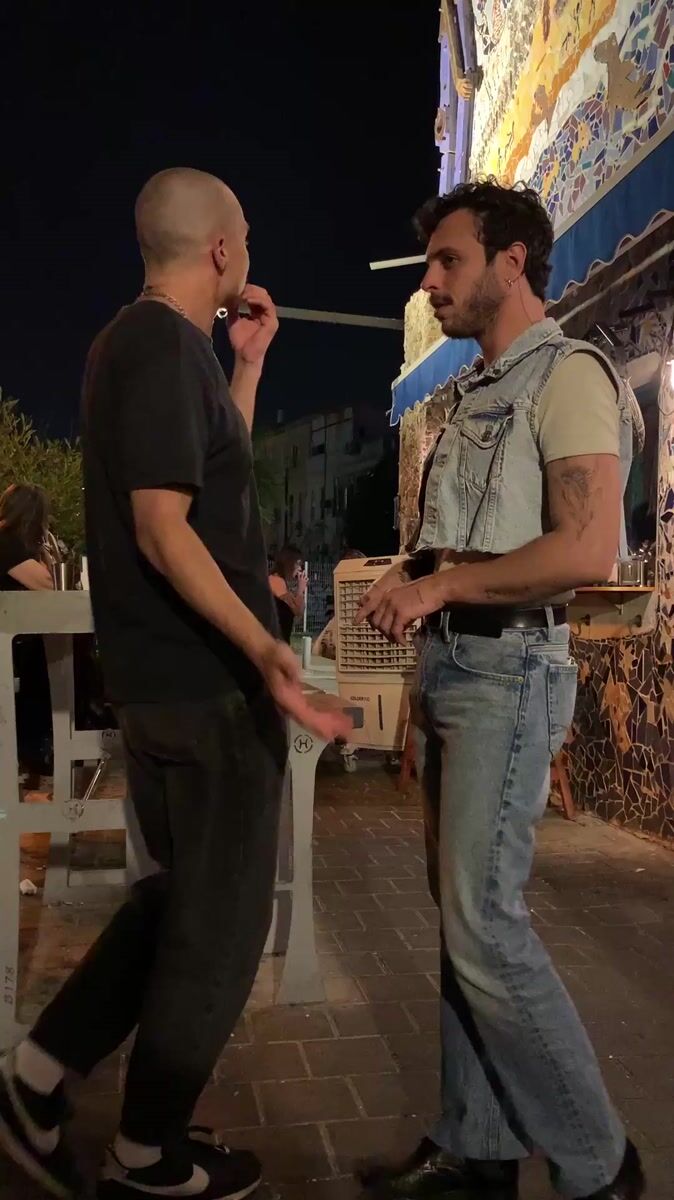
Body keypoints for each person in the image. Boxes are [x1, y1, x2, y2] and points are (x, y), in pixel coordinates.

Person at [0, 167, 351, 1200]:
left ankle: (36, 1078)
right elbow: (163, 528)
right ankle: (146, 1154)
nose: (250, 253)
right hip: (201, 689)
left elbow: (208, 484)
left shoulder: (168, 350)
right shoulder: (154, 344)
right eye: (246, 236)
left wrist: (247, 364)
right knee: (222, 926)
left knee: (176, 903)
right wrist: (265, 650)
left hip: (174, 685)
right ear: (221, 251)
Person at [357, 181, 642, 1200]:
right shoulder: (478, 389)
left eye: (448, 261)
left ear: (510, 261)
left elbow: (585, 548)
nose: (431, 283)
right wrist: (411, 574)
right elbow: (476, 536)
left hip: (508, 670)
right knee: (462, 917)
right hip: (457, 666)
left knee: (484, 925)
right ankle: (474, 1149)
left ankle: (597, 1163)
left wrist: (440, 587)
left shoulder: (566, 373)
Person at [0, 484, 54, 774]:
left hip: (13, 641)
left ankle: (38, 746)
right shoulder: (6, 541)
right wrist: (44, 546)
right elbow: (49, 584)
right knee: (49, 656)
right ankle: (35, 747)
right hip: (11, 646)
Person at [268, 545, 306, 642]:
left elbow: (298, 612)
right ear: (288, 563)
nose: (300, 569)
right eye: (298, 564)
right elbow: (296, 610)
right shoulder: (276, 581)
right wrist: (300, 589)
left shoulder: (280, 582)